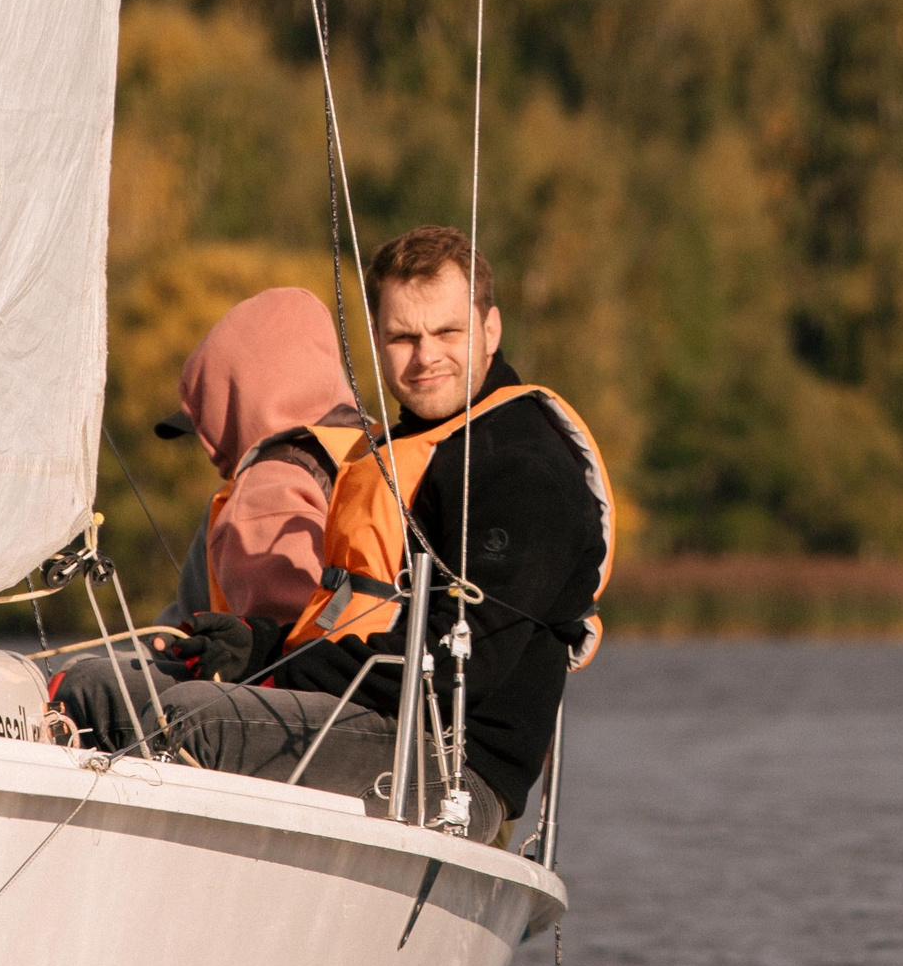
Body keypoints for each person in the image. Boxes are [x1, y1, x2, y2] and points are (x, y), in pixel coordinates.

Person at [56, 227, 613, 842]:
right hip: (370, 724)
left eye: (447, 333)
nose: (426, 356)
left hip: (448, 771)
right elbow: (373, 615)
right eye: (404, 337)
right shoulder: (411, 449)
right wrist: (260, 645)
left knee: (183, 721)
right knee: (95, 684)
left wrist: (275, 672)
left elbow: (457, 668)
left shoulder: (520, 467)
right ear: (377, 343)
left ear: (491, 329)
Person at [153, 288, 367, 623]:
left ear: (232, 406)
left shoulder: (268, 487)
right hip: (388, 660)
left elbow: (272, 644)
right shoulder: (381, 450)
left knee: (91, 676)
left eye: (206, 419)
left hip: (277, 672)